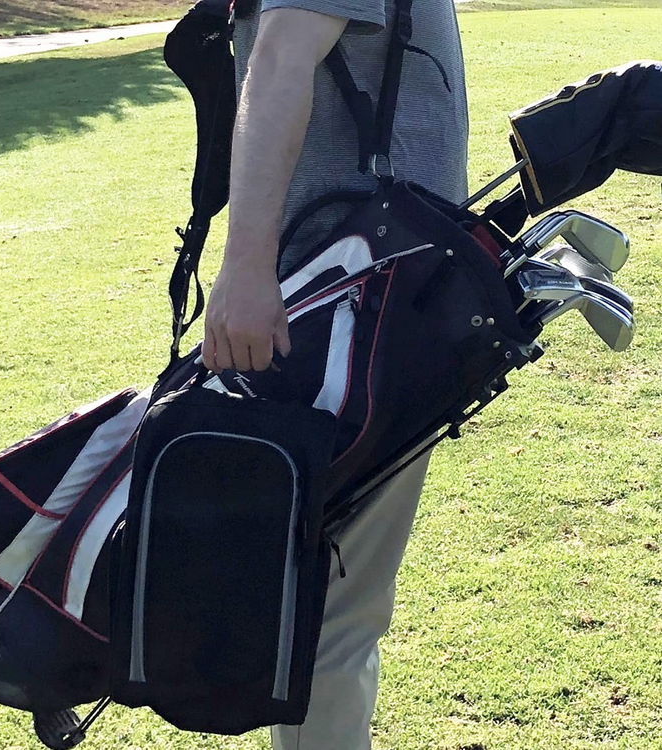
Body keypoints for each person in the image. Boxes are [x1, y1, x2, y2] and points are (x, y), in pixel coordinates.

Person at [201, 0, 469, 747]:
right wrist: (247, 265)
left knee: (336, 610)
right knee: (329, 618)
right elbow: (280, 61)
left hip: (377, 299)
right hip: (346, 312)